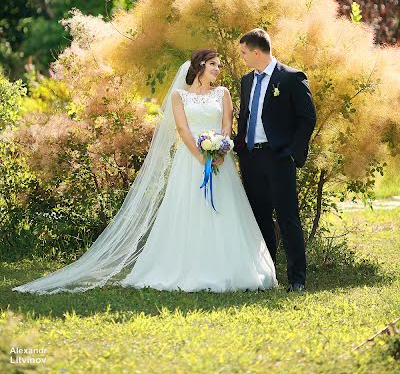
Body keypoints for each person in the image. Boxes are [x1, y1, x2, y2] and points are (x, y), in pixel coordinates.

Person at [13, 49, 277, 294]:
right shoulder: (179, 96)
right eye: (213, 65)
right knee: (189, 212)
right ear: (199, 66)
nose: (218, 69)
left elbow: (227, 124)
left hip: (220, 161)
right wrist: (200, 157)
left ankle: (232, 268)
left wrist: (219, 150)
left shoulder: (223, 93)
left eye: (218, 65)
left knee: (226, 210)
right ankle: (190, 268)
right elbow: (183, 130)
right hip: (190, 162)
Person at [234, 29, 317, 292]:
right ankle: (267, 276)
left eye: (244, 53)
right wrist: (239, 146)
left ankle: (297, 279)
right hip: (250, 157)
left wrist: (292, 151)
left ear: (257, 52)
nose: (243, 58)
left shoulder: (291, 78)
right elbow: (246, 116)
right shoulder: (246, 81)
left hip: (278, 157)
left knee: (287, 217)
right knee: (259, 217)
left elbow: (307, 117)